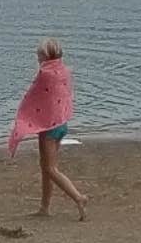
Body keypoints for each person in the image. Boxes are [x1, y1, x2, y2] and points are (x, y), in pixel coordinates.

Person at [8, 38, 86, 220]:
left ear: (46, 56)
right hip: (61, 124)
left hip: (49, 128)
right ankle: (45, 208)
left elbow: (34, 96)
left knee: (50, 169)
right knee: (46, 168)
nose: (37, 57)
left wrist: (25, 120)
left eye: (39, 54)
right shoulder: (64, 71)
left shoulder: (45, 74)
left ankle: (78, 197)